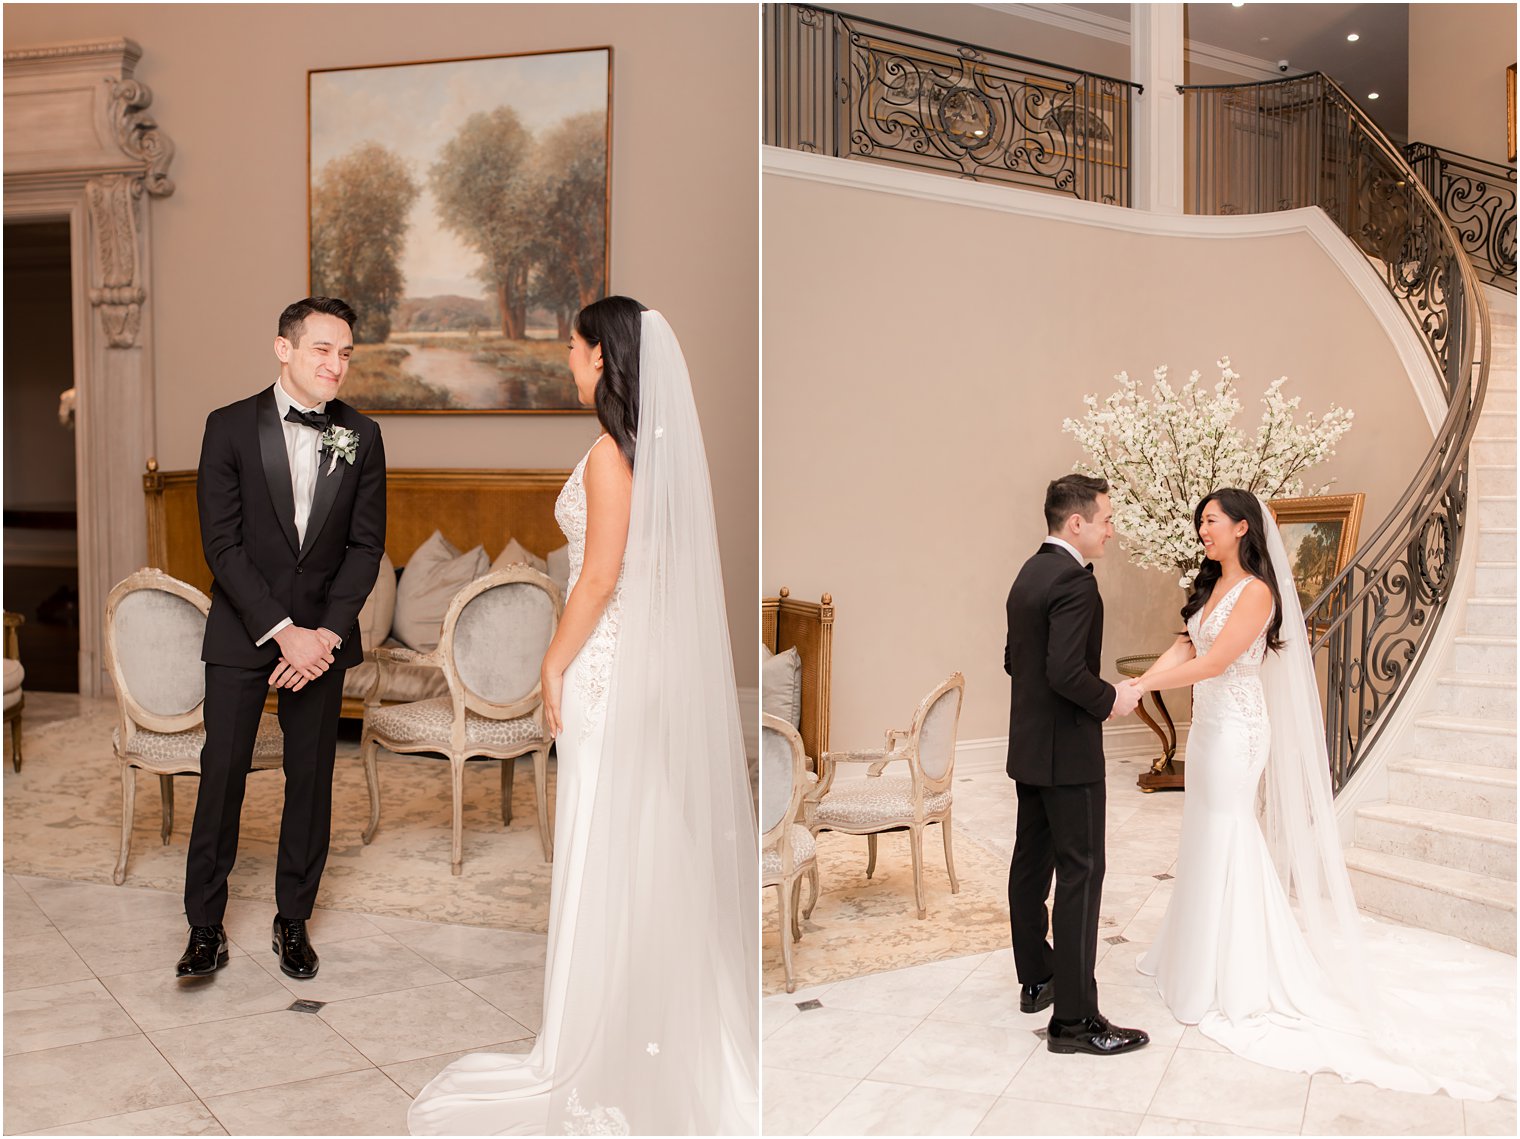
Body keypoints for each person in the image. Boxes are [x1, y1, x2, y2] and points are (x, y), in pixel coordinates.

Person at [409, 298, 759, 1135]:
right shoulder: (656, 452)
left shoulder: (610, 455)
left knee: (603, 835)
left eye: (573, 345)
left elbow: (598, 579)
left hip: (606, 667)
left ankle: (593, 1041)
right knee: (639, 836)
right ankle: (657, 1022)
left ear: (603, 357)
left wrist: (552, 661)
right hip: (646, 668)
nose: (566, 356)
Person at [1132, 488, 1514, 1099]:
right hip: (1207, 731)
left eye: (1211, 521)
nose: (1202, 530)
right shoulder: (1209, 588)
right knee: (1203, 831)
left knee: (1230, 829)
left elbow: (1216, 663)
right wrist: (1143, 679)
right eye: (1200, 521)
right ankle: (1196, 953)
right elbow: (1186, 645)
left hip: (1237, 730)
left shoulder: (1257, 593)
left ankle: (1240, 971)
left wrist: (1134, 693)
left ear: (1241, 528)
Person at [178, 296, 386, 981]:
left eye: (346, 353)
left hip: (321, 640)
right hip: (245, 628)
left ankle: (292, 919)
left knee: (310, 780)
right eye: (323, 349)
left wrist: (322, 634)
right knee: (223, 775)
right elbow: (221, 544)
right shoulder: (228, 426)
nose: (336, 364)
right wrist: (281, 630)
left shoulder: (363, 434)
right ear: (284, 348)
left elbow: (365, 547)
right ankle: (204, 925)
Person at [1004, 474, 1149, 1056]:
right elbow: (1065, 673)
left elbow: (1017, 659)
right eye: (1106, 520)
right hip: (1069, 756)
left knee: (1030, 866)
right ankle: (1075, 1021)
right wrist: (1110, 699)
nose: (1111, 530)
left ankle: (1037, 978)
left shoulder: (1028, 573)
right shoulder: (1075, 583)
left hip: (1031, 748)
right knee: (1081, 874)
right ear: (1076, 524)